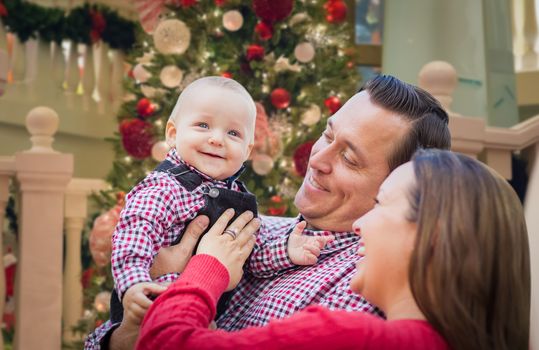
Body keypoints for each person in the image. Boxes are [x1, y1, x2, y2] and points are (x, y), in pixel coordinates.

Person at [86, 75, 452, 349]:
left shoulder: (363, 288)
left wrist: (201, 270)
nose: (317, 159)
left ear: (401, 183)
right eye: (327, 135)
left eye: (349, 158)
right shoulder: (260, 230)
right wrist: (120, 337)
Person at [136, 149, 531, 350]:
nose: (361, 225)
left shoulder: (349, 336)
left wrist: (207, 266)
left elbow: (164, 343)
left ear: (431, 236)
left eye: (381, 205)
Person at [86, 76, 330, 349]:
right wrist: (134, 285)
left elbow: (249, 256)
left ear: (247, 150)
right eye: (203, 125)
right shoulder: (164, 188)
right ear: (173, 134)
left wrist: (287, 251)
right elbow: (133, 238)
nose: (216, 139)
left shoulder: (239, 198)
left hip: (201, 319)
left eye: (233, 133)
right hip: (151, 307)